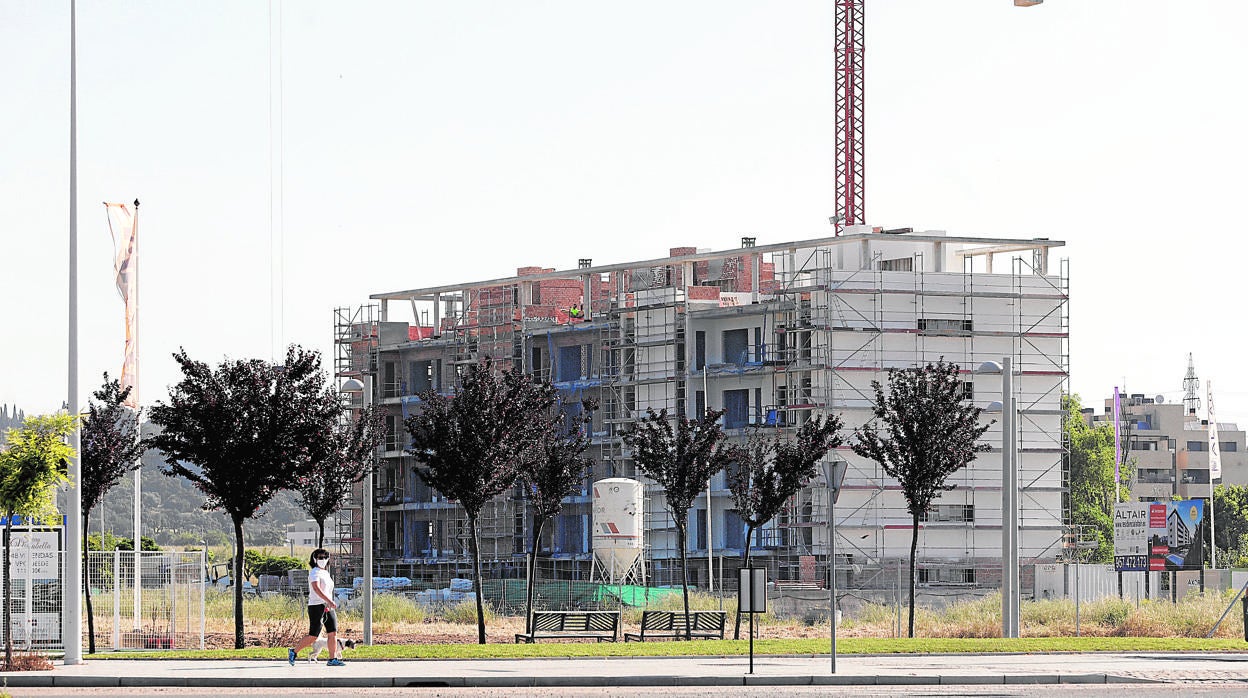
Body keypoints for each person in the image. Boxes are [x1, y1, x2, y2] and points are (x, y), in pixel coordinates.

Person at [289, 548, 344, 666]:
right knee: (314, 635)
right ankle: (294, 651)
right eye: (320, 557)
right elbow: (316, 588)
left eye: (325, 557)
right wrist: (329, 600)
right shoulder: (314, 572)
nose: (323, 560)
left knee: (332, 632)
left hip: (327, 606)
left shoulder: (326, 573)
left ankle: (332, 659)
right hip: (316, 606)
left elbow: (327, 589)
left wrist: (329, 602)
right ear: (315, 559)